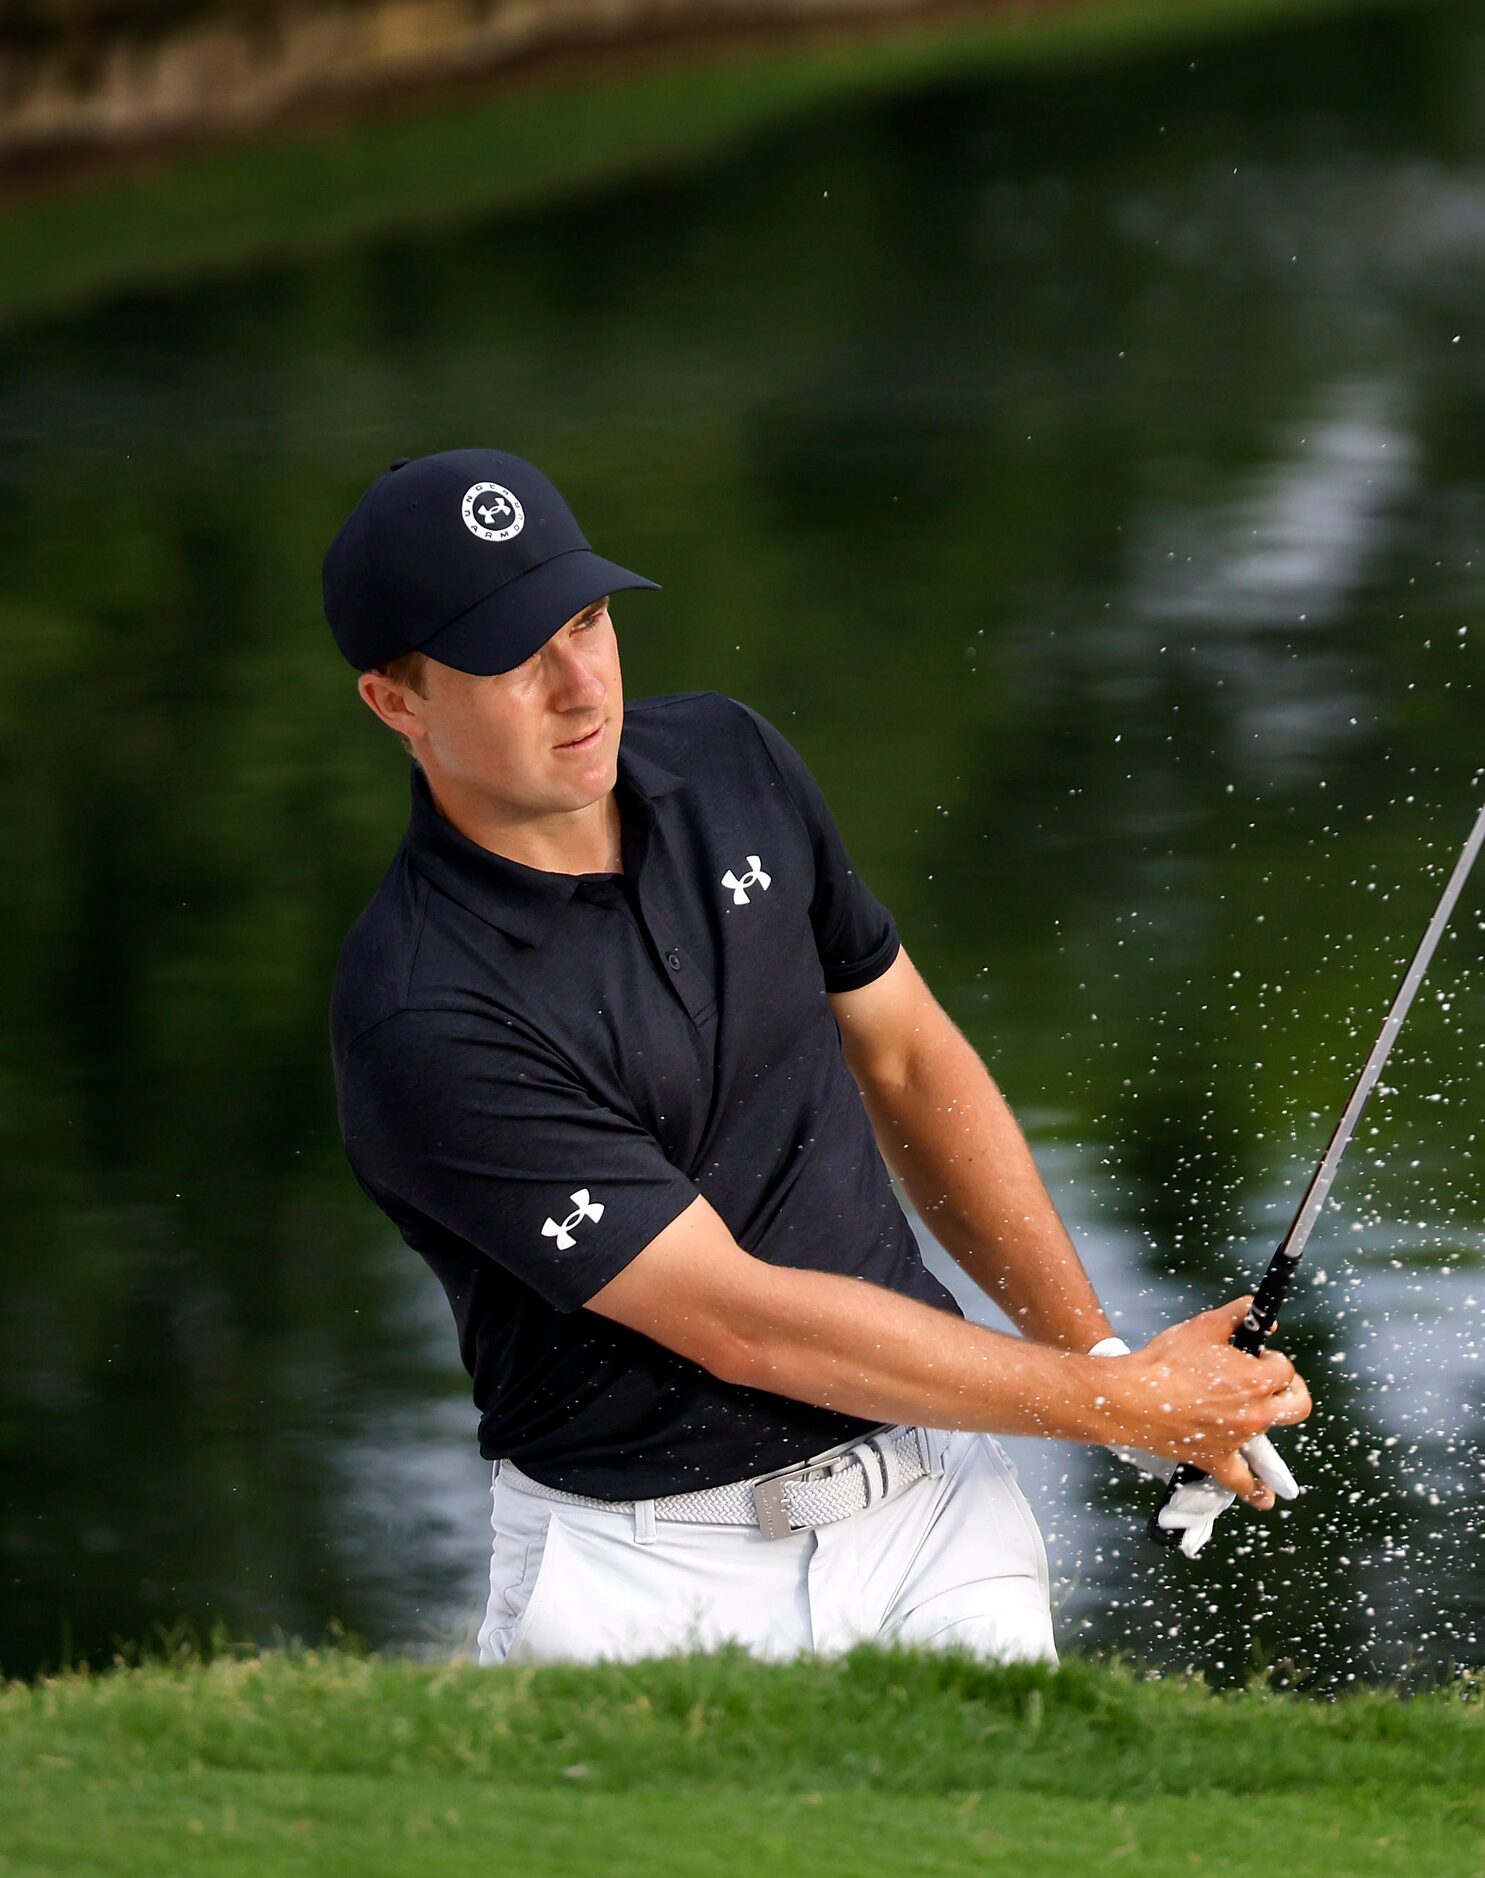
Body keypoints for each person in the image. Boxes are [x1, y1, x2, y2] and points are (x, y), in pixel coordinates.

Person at [323, 448, 1306, 1665]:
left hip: (937, 1513)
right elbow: (746, 1326)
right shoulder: (425, 1014)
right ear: (397, 703)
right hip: (646, 1575)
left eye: (587, 621)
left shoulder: (731, 763)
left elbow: (904, 1058)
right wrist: (1125, 1405)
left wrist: (1095, 1353)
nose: (581, 685)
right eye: (514, 658)